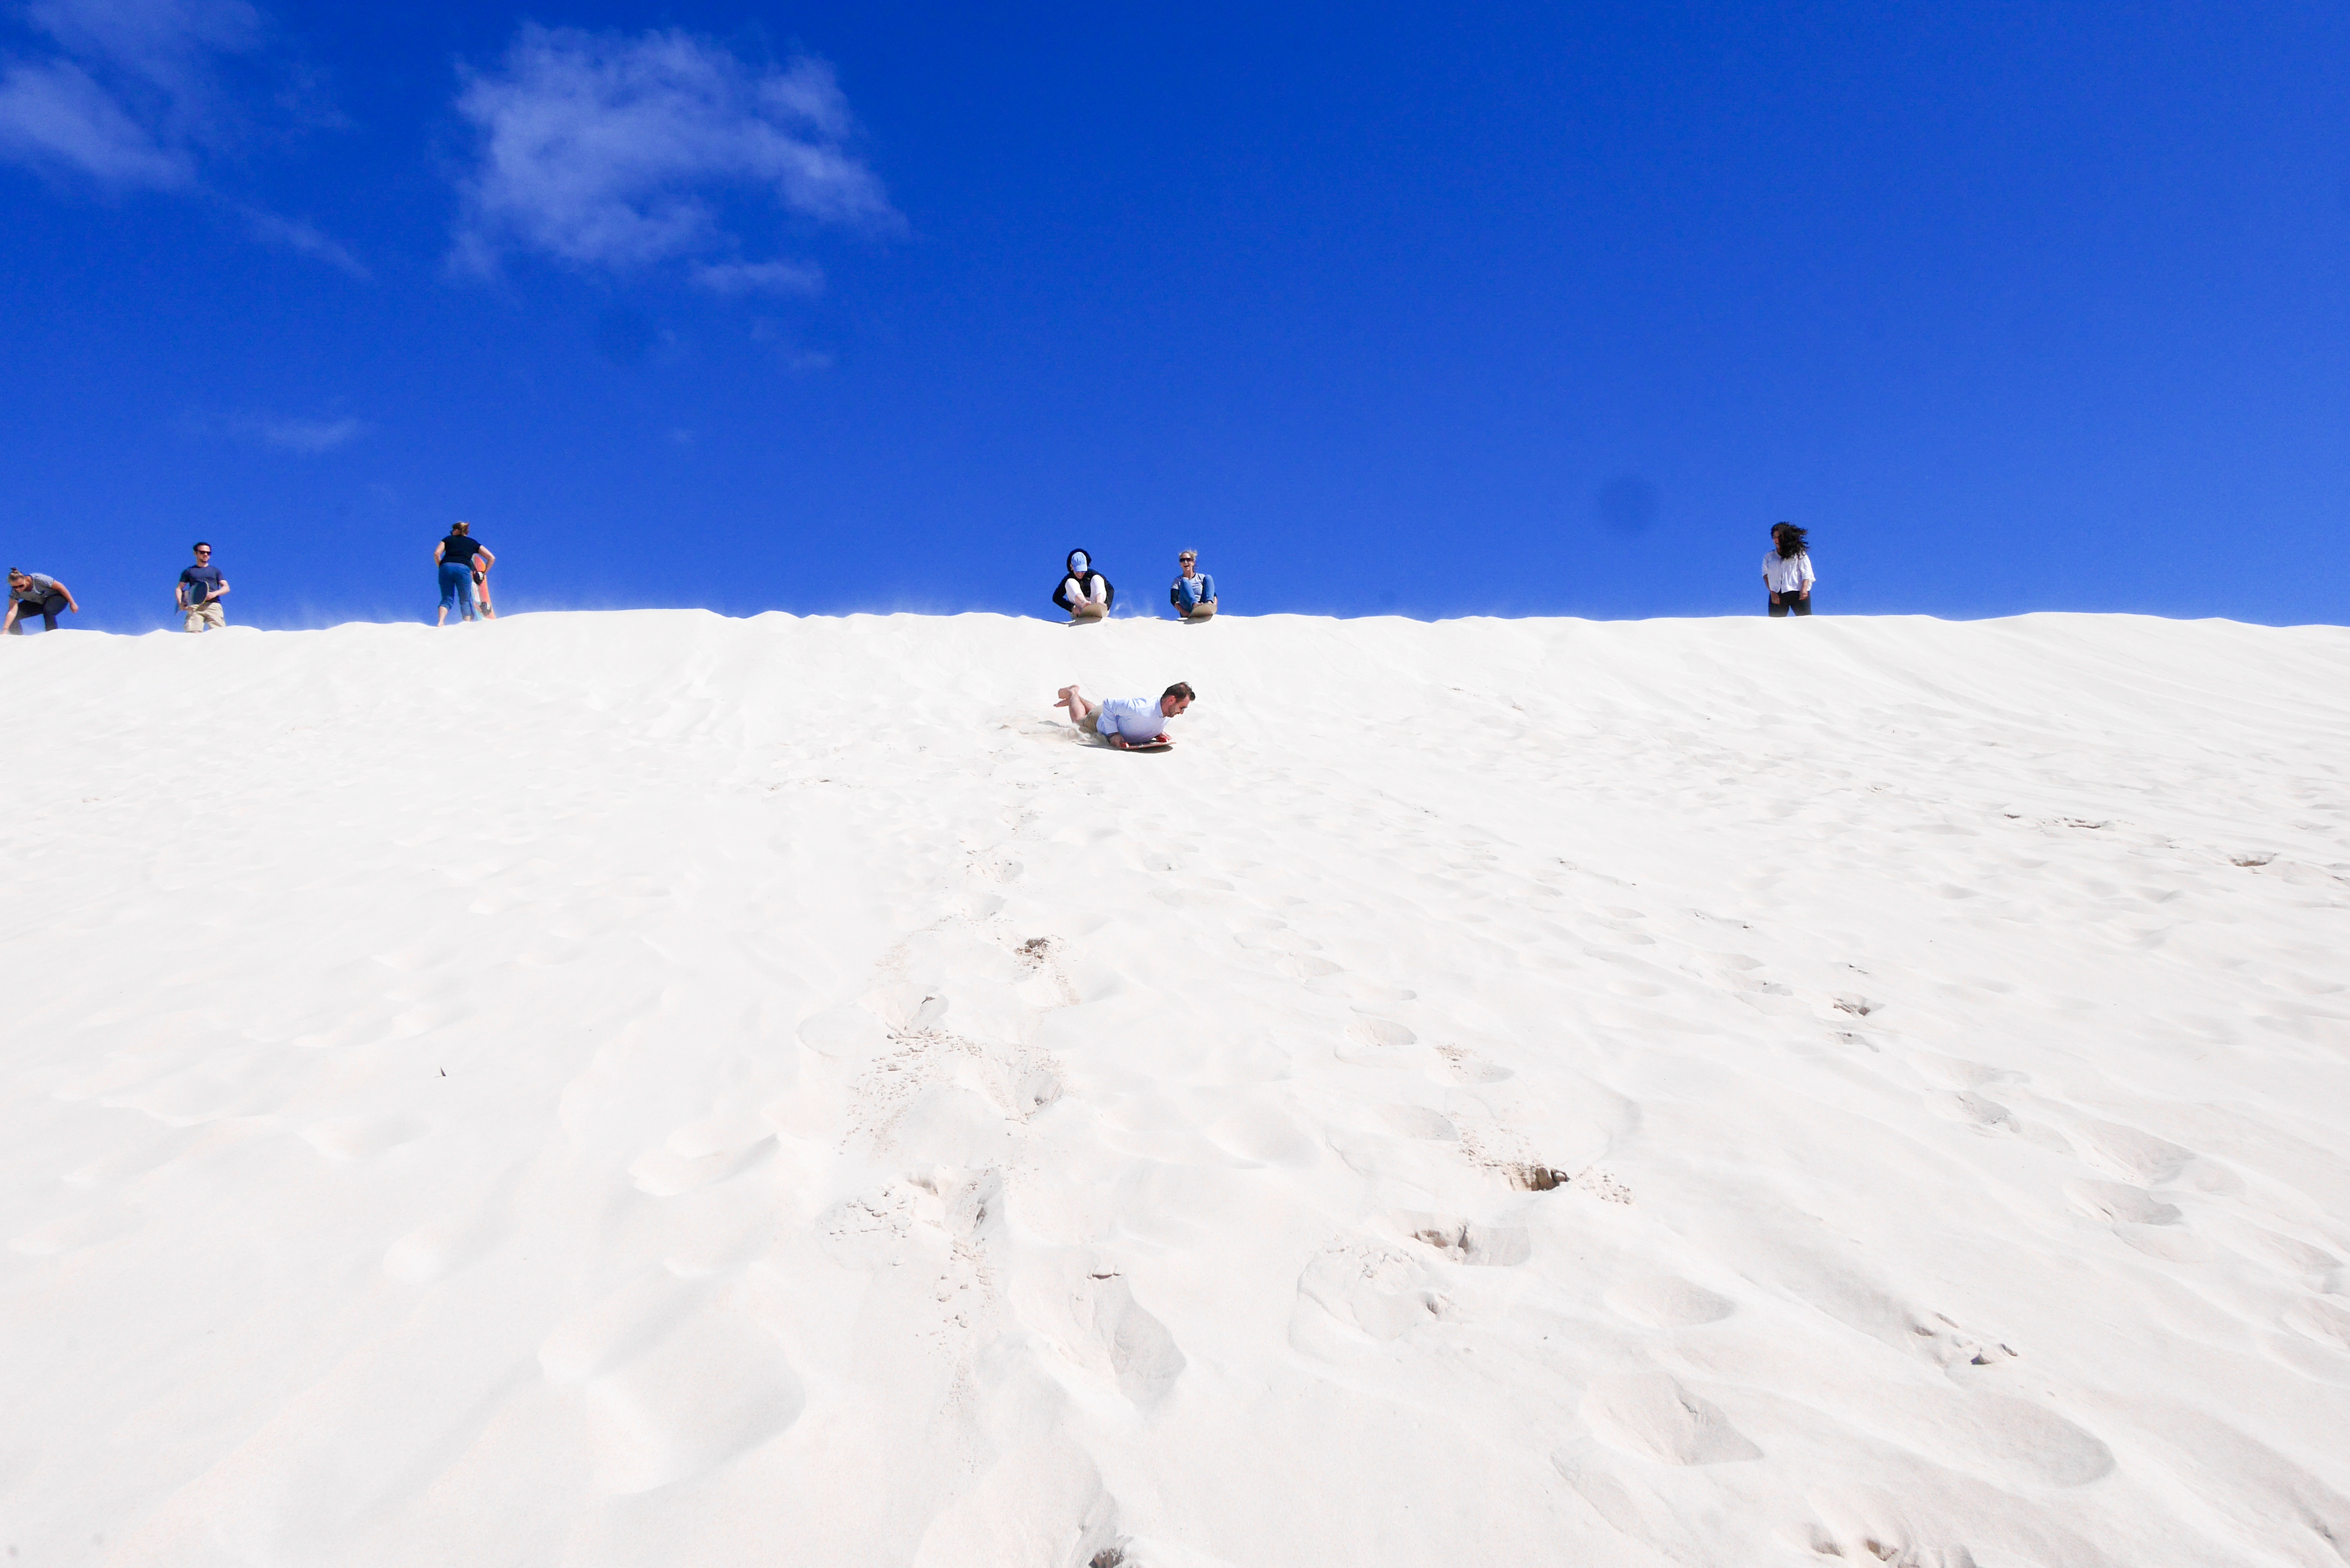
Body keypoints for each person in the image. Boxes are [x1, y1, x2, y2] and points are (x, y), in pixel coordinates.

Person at [1054, 681, 1195, 748]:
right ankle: (1073, 693)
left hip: (1108, 714)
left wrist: (1157, 731)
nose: (1182, 713)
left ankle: (1078, 698)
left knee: (1096, 710)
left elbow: (1151, 719)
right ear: (1171, 700)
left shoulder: (1167, 710)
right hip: (1099, 721)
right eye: (1182, 708)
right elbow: (1109, 704)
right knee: (1080, 721)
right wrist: (1113, 734)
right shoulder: (1140, 708)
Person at [435, 522, 493, 626]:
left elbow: (437, 553)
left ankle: (441, 622)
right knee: (465, 599)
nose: (451, 532)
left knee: (447, 598)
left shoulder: (447, 540)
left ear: (458, 531)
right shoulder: (472, 543)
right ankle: (467, 623)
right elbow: (491, 558)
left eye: (453, 530)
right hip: (463, 569)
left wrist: (441, 566)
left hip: (446, 568)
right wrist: (483, 574)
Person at [4, 568, 77, 634]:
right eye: (15, 587)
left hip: (57, 597)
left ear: (26, 580)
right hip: (39, 602)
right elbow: (12, 611)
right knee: (13, 617)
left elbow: (61, 587)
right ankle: (18, 638)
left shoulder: (38, 579)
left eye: (21, 586)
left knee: (48, 610)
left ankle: (52, 635)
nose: (18, 589)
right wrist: (5, 629)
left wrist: (72, 603)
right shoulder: (15, 592)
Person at [1764, 522, 1815, 616]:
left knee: (1806, 621)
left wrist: (1804, 589)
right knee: (1775, 624)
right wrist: (1772, 592)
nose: (1777, 540)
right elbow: (1765, 575)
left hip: (1798, 592)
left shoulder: (1799, 554)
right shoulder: (1769, 557)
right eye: (1775, 537)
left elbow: (1807, 572)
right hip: (1778, 594)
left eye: (1780, 537)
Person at [177, 542, 229, 632]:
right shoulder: (189, 572)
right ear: (195, 553)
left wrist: (215, 594)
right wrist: (180, 602)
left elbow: (226, 587)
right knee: (193, 634)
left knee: (219, 633)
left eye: (208, 553)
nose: (206, 555)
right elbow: (179, 588)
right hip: (195, 606)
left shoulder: (215, 571)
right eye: (202, 552)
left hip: (213, 605)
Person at [1053, 549, 1114, 622]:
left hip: (1097, 606)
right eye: (1077, 571)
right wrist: (1072, 608)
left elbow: (1110, 588)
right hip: (1079, 609)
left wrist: (1107, 604)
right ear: (1071, 567)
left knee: (1097, 578)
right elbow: (1056, 597)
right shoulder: (1068, 578)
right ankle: (1084, 603)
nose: (1080, 574)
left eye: (1082, 571)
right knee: (1070, 582)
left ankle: (1099, 604)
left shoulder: (1091, 573)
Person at [1169, 550, 1217, 620]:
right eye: (1183, 560)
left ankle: (1209, 604)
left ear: (1193, 563)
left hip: (1202, 605)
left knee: (1208, 577)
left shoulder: (1201, 577)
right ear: (1180, 564)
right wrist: (1183, 612)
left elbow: (1213, 594)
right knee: (1185, 580)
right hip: (1188, 607)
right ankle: (1195, 604)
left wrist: (1214, 606)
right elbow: (1174, 600)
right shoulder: (1177, 581)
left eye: (1188, 560)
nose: (1185, 562)